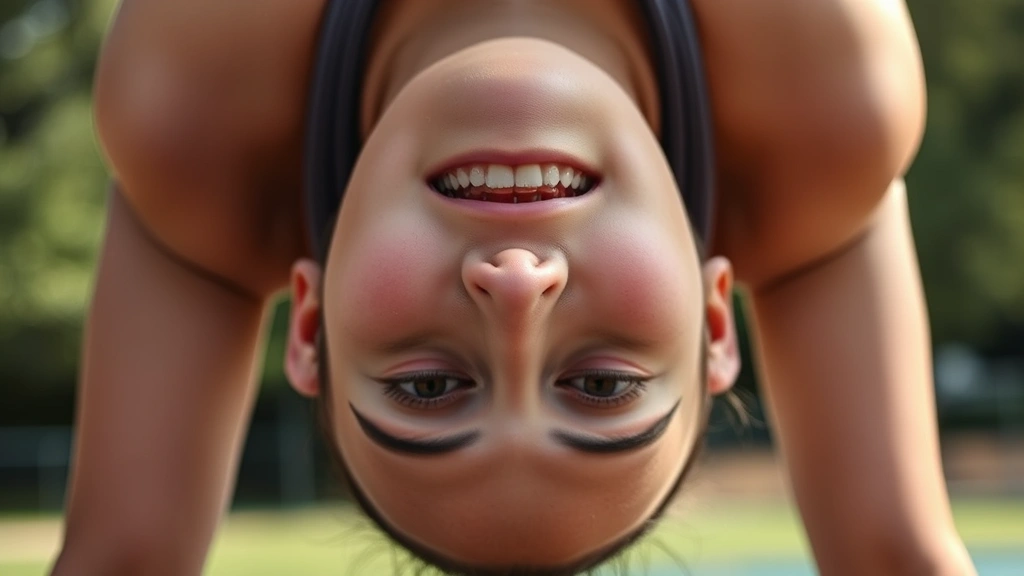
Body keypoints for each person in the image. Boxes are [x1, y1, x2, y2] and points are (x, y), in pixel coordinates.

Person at [53, 0, 976, 574]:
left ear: (313, 319)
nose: (516, 284)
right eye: (603, 384)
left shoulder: (193, 104)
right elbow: (893, 556)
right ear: (708, 317)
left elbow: (123, 559)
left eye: (428, 386)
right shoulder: (823, 94)